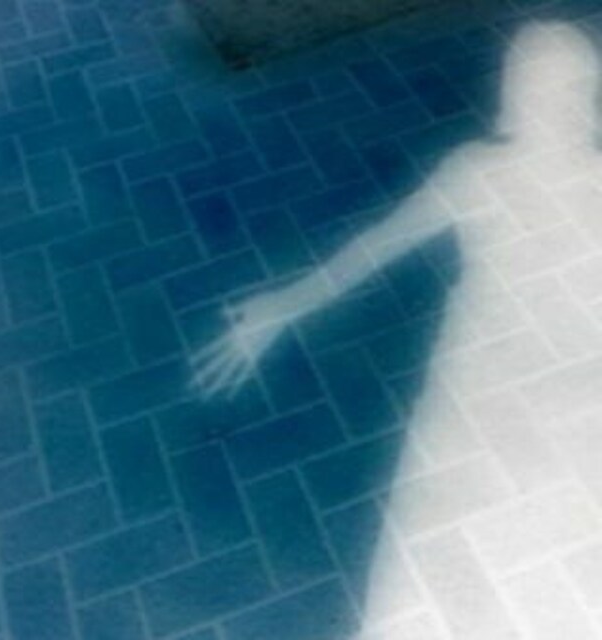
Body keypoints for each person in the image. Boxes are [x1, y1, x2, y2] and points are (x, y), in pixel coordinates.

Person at [192, 20, 602, 638]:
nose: (547, 103)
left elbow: (376, 244)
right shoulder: (480, 172)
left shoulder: (491, 172)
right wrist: (286, 304)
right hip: (487, 395)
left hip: (538, 396)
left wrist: (287, 305)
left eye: (561, 88)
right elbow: (377, 244)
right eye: (538, 87)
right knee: (445, 564)